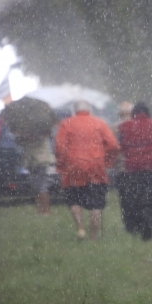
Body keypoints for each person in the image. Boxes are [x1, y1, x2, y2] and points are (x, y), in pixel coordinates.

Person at [55, 100, 120, 240]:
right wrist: (107, 161)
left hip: (73, 164)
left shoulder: (66, 124)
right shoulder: (99, 123)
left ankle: (80, 229)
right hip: (96, 164)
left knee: (74, 199)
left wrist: (61, 164)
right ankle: (94, 236)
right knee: (96, 201)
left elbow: (59, 147)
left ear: (74, 110)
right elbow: (114, 145)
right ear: (90, 110)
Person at [118, 102, 152, 240]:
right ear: (148, 112)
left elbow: (121, 147)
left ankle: (143, 227)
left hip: (134, 168)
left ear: (133, 113)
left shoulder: (125, 127)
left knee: (137, 198)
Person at [113, 101, 135, 234]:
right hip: (137, 167)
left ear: (119, 114)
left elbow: (111, 147)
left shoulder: (114, 128)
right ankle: (139, 222)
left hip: (121, 167)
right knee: (137, 196)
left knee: (125, 198)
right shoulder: (139, 126)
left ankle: (129, 224)